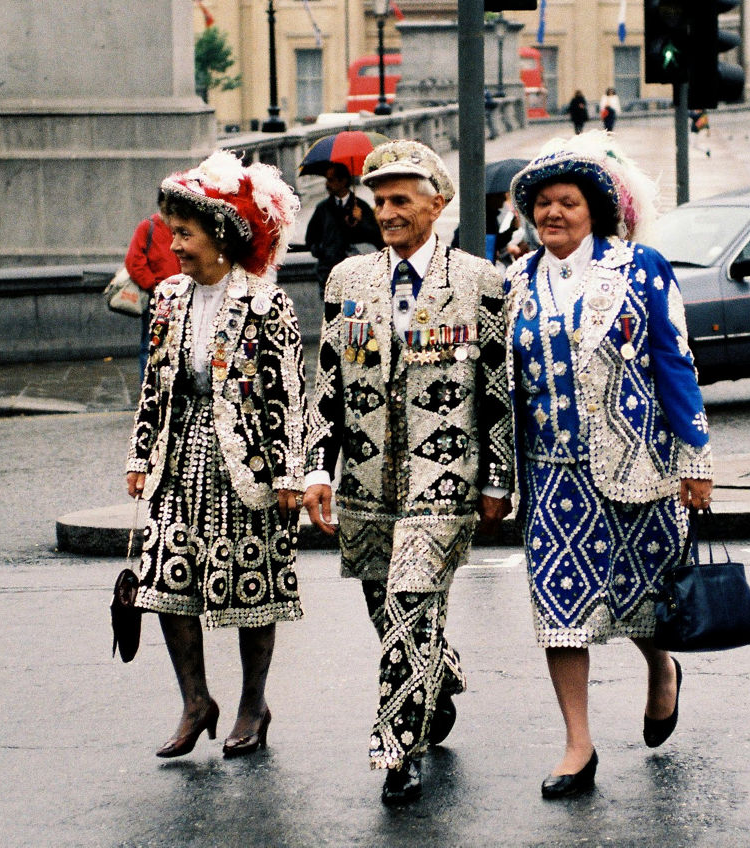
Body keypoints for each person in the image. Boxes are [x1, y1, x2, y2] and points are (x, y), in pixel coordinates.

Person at [302, 140, 514, 806]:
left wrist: (498, 480)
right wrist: (314, 468)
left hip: (443, 482)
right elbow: (327, 384)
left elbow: (498, 390)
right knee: (388, 612)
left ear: (437, 204)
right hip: (366, 482)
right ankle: (440, 673)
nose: (386, 212)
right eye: (379, 200)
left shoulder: (481, 281)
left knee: (410, 603)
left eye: (399, 200)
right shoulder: (348, 282)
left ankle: (399, 752)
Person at [504, 130, 714, 799]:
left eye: (565, 202)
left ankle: (662, 672)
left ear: (594, 207)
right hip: (551, 473)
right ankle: (578, 744)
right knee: (559, 609)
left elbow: (675, 362)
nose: (551, 214)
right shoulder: (513, 283)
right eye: (540, 205)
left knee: (646, 601)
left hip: (637, 467)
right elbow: (498, 385)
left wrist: (696, 458)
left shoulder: (641, 267)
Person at [124, 150, 306, 761]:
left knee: (250, 582)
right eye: (172, 232)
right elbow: (155, 379)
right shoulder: (170, 298)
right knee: (164, 580)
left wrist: (289, 473)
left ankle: (254, 702)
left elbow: (287, 391)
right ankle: (196, 701)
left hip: (245, 464)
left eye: (185, 233)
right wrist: (141, 455)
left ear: (221, 236)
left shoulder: (265, 301)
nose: (173, 245)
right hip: (181, 457)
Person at [305, 161, 384, 293]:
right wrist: (322, 252)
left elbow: (378, 239)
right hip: (328, 275)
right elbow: (310, 239)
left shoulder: (361, 207)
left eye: (330, 180)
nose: (326, 184)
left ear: (343, 181)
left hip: (358, 275)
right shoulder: (322, 209)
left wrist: (361, 222)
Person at [124, 192, 179, 375]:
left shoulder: (182, 227)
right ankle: (147, 392)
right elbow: (134, 261)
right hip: (158, 298)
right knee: (150, 346)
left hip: (183, 296)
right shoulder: (148, 227)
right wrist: (154, 286)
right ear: (161, 203)